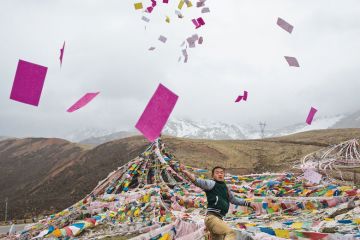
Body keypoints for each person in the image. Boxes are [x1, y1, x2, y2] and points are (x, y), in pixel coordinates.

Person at [180, 165, 258, 240]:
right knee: (230, 233)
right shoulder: (212, 184)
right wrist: (186, 172)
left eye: (221, 172)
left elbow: (234, 200)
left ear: (224, 175)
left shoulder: (225, 188)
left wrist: (249, 204)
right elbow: (197, 181)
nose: (220, 174)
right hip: (212, 218)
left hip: (218, 219)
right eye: (217, 172)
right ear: (213, 176)